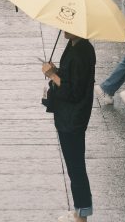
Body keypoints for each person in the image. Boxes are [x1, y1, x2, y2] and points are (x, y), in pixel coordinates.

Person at [42, 32, 96, 221]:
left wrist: (52, 76)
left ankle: (82, 214)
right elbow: (70, 77)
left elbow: (73, 92)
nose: (63, 28)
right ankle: (80, 210)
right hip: (68, 116)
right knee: (74, 165)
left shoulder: (82, 52)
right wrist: (56, 71)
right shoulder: (74, 45)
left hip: (73, 118)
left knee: (76, 167)